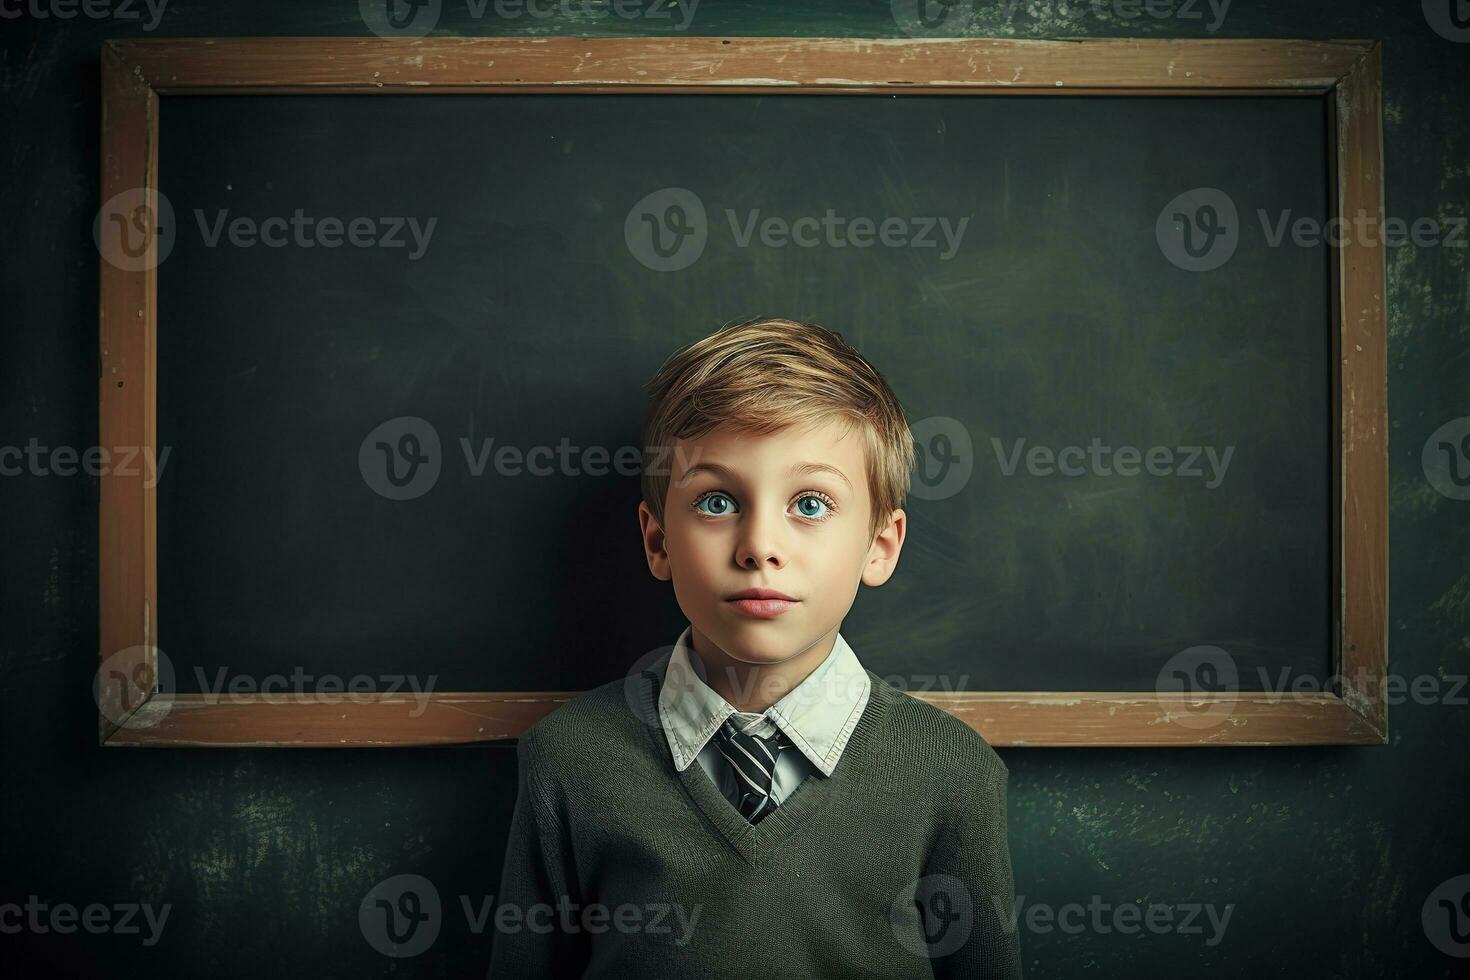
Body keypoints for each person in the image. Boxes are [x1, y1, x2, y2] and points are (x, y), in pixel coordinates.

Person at [487, 316, 1023, 978]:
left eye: (810, 504)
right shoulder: (568, 759)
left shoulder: (950, 770)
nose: (759, 546)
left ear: (879, 545)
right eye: (716, 501)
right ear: (657, 542)